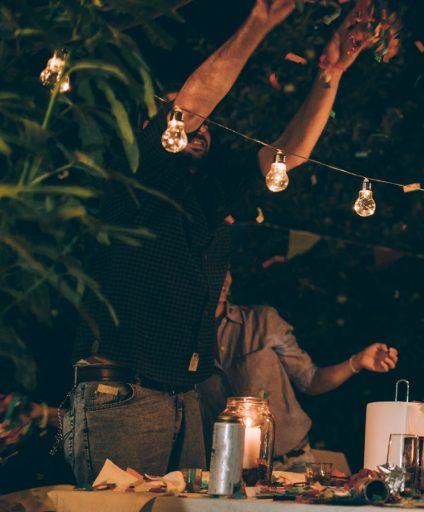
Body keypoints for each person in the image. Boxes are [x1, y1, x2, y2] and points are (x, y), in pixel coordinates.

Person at [62, 0, 388, 485]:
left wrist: (331, 75)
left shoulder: (208, 199)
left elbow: (289, 156)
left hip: (184, 398)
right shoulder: (130, 181)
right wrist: (259, 21)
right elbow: (191, 106)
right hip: (122, 393)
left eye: (206, 128)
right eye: (181, 120)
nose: (200, 130)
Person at [199, 271, 397, 471]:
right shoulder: (188, 338)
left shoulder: (261, 321)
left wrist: (357, 362)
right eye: (216, 268)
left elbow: (310, 380)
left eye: (227, 269)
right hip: (224, 468)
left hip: (290, 464)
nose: (224, 278)